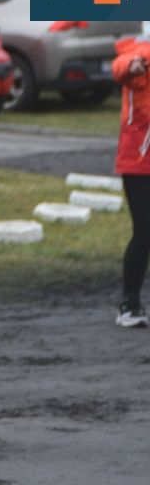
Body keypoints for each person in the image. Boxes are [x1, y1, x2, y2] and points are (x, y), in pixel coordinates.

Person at [111, 29, 150, 328]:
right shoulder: (137, 54)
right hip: (138, 162)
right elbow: (120, 66)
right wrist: (134, 65)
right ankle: (129, 303)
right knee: (144, 231)